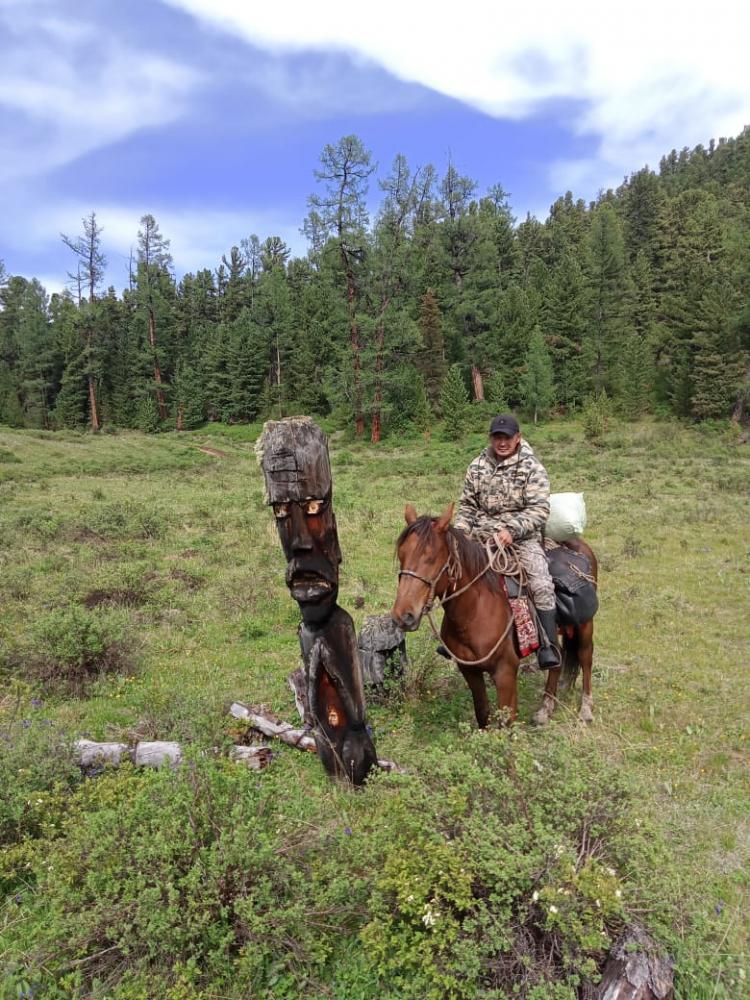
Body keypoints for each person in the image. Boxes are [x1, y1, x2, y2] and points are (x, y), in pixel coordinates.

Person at [454, 413, 560, 669]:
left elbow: (538, 509)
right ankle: (456, 638)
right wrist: (458, 535)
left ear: (518, 437)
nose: (502, 442)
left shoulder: (532, 467)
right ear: (491, 438)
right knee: (454, 576)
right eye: (497, 437)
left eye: (507, 437)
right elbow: (467, 506)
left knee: (541, 584)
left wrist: (511, 530)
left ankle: (547, 646)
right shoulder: (477, 465)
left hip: (521, 539)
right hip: (480, 536)